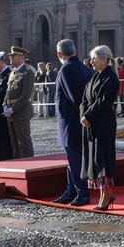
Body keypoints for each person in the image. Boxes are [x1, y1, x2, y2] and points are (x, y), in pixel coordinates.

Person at [79, 45, 122, 209]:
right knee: (94, 159)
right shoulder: (94, 77)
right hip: (91, 124)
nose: (92, 62)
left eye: (95, 59)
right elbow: (84, 99)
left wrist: (88, 115)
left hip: (103, 124)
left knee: (104, 159)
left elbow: (103, 101)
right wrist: (84, 116)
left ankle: (107, 194)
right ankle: (102, 194)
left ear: (104, 59)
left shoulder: (111, 78)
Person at [52, 40, 92, 206]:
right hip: (81, 120)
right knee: (73, 159)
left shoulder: (66, 69)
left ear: (59, 55)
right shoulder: (84, 68)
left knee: (75, 159)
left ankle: (82, 193)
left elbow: (73, 97)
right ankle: (71, 190)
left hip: (71, 121)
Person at [2, 47, 36, 157]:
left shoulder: (27, 72)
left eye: (13, 56)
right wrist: (5, 105)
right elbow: (8, 92)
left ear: (21, 57)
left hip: (21, 111)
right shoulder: (13, 72)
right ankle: (18, 164)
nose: (10, 58)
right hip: (11, 111)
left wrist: (14, 108)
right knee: (15, 144)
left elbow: (26, 95)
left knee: (24, 142)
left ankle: (29, 165)